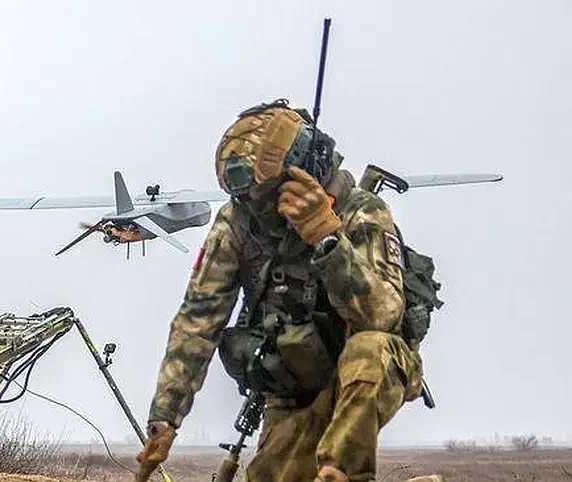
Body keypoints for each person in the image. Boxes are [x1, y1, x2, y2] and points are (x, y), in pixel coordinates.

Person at [134, 99, 442, 482]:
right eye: (243, 197)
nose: (252, 205)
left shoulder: (361, 212)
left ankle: (339, 472)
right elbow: (198, 318)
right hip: (293, 389)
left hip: (369, 374)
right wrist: (166, 417)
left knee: (369, 351)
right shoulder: (238, 223)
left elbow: (382, 315)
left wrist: (327, 239)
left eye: (260, 194)